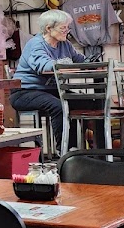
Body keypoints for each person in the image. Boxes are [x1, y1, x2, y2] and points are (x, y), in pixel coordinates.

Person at [9, 9, 86, 150]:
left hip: (50, 91)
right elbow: (44, 66)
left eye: (68, 27)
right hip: (25, 92)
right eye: (63, 28)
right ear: (49, 28)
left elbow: (81, 60)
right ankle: (65, 150)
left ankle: (98, 149)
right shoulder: (36, 44)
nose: (67, 31)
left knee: (91, 103)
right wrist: (66, 64)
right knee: (59, 106)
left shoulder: (65, 44)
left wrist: (92, 63)